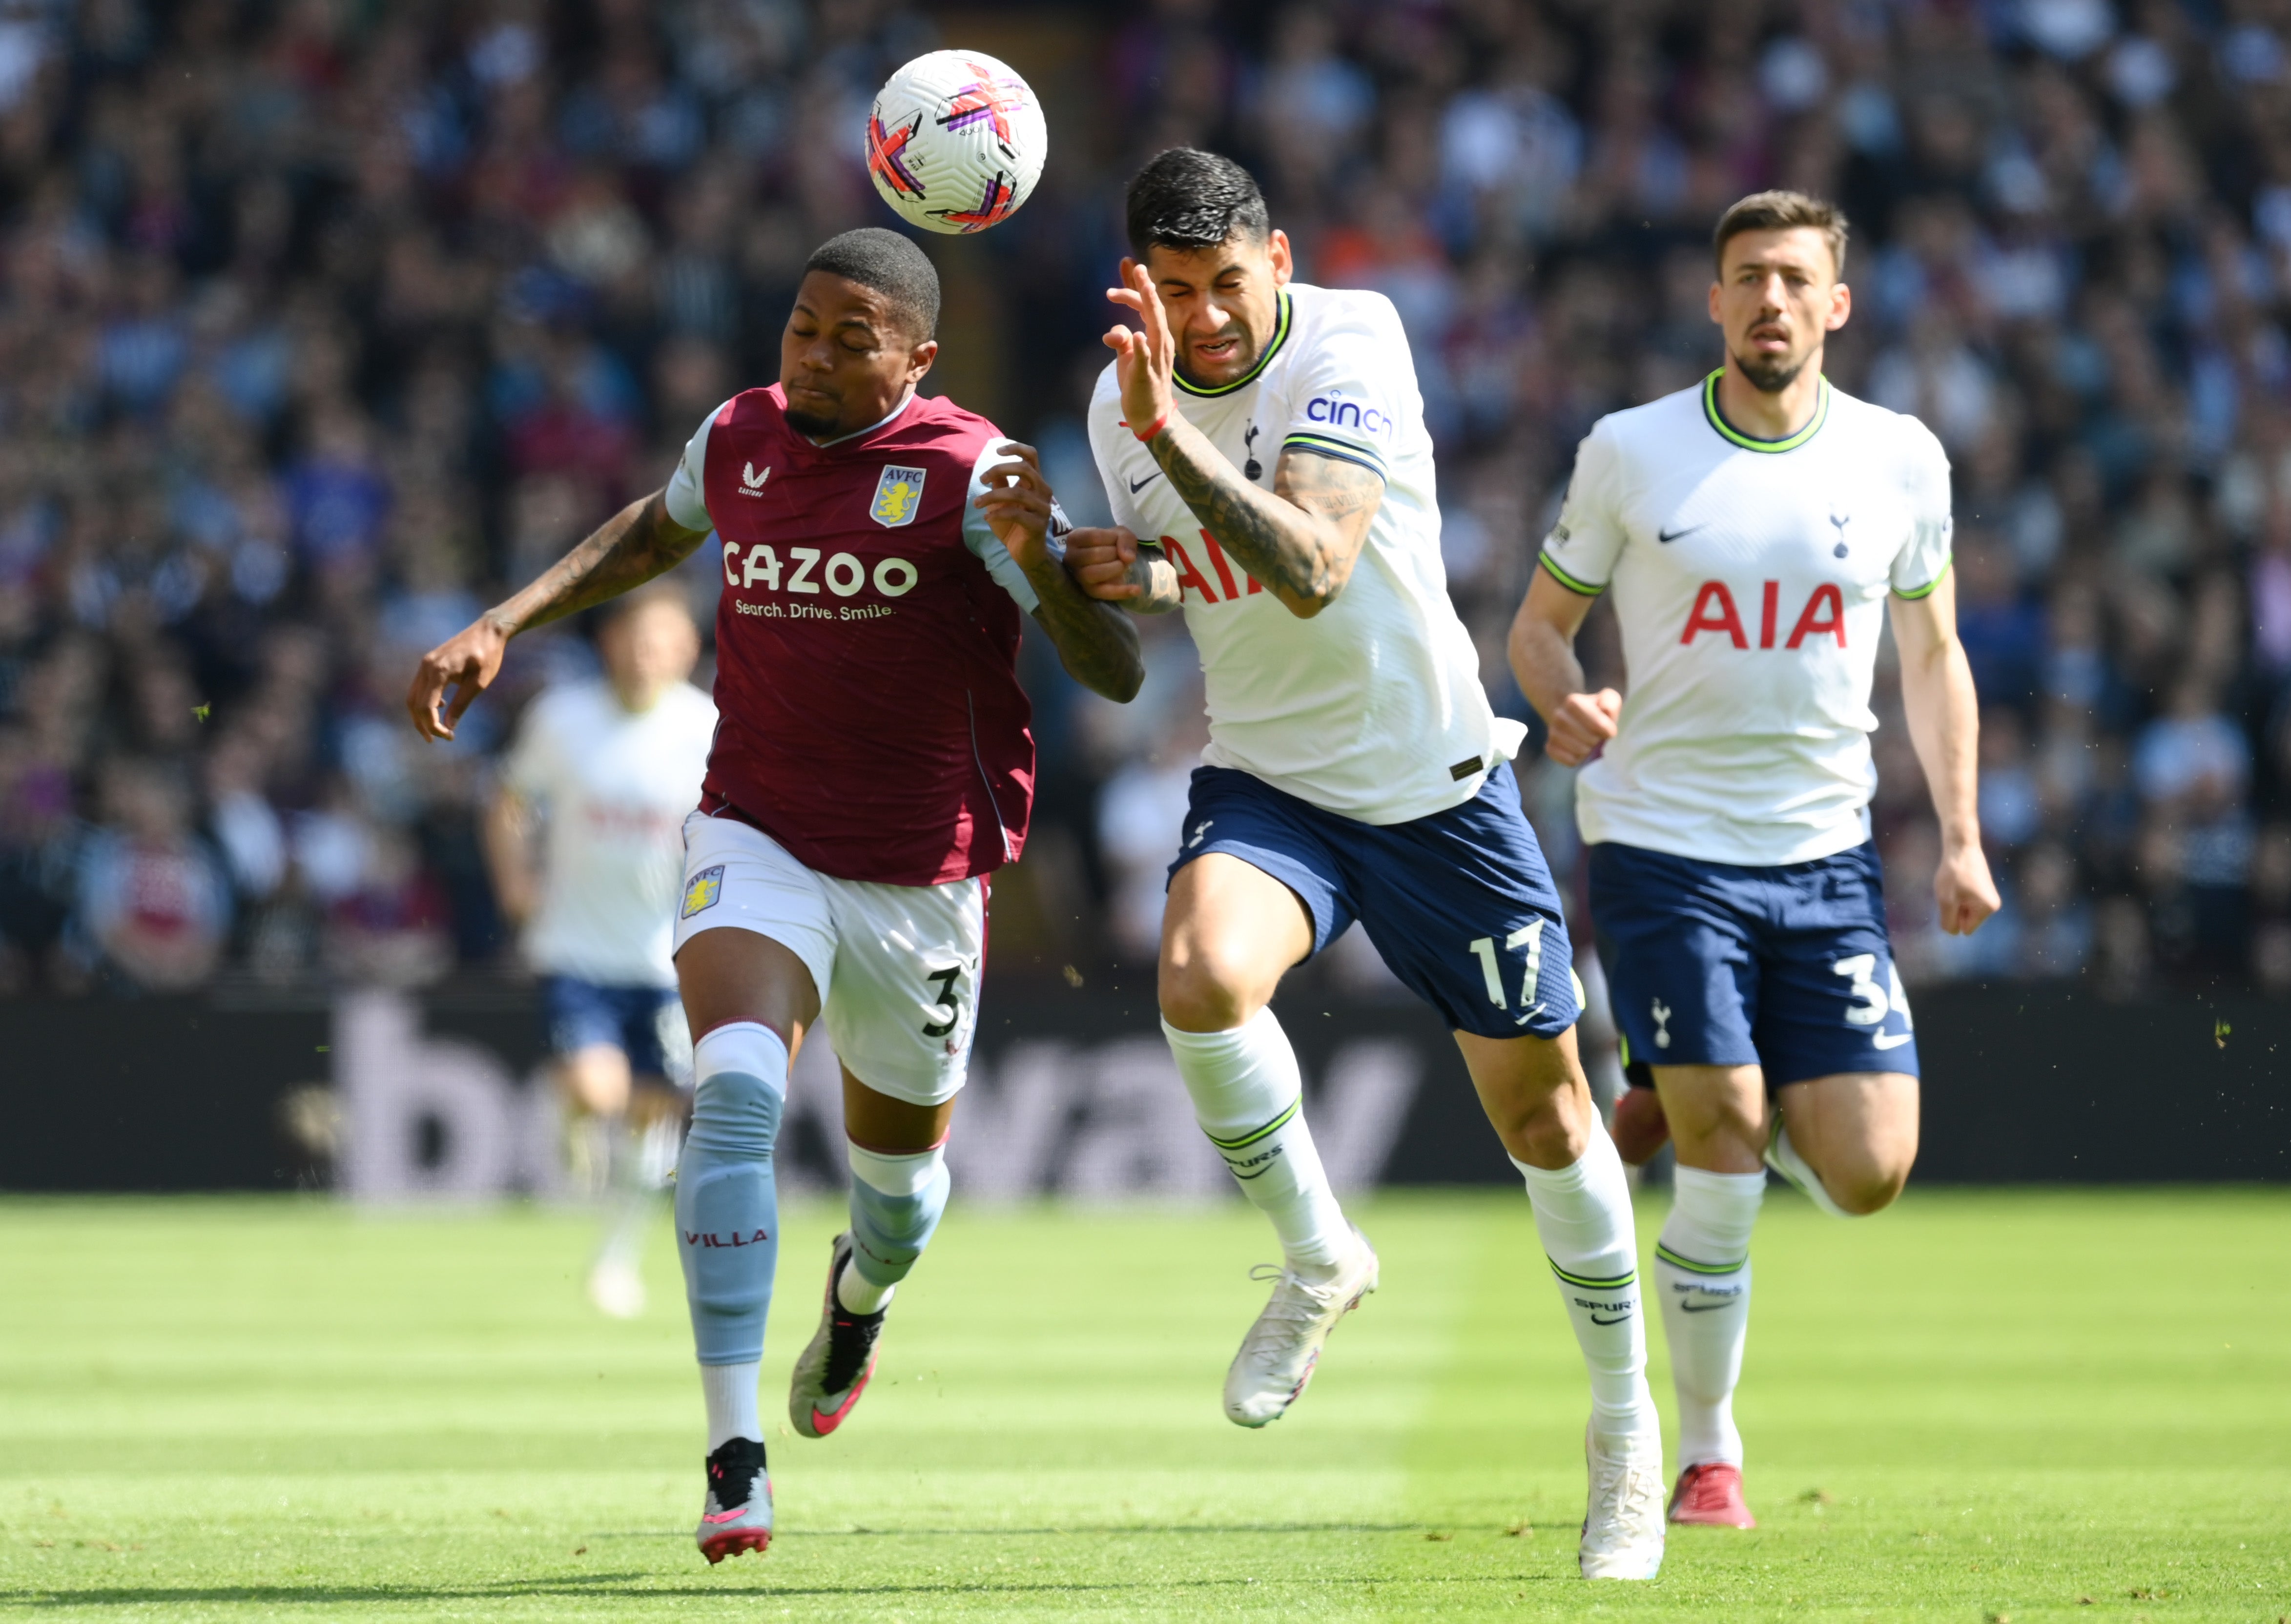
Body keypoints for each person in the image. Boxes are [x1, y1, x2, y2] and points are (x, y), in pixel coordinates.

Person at [408, 228, 1143, 1566]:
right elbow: (653, 530)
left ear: (916, 358)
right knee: (732, 1092)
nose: (807, 354)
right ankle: (731, 1457)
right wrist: (505, 621)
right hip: (757, 838)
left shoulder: (974, 473)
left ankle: (857, 1303)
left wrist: (1041, 567)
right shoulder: (741, 435)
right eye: (800, 326)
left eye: (845, 339)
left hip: (921, 881)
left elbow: (1114, 673)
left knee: (900, 1204)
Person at [1066, 148, 1666, 1582]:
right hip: (1270, 780)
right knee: (1202, 976)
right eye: (1177, 291)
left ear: (1275, 264)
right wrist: (1105, 571)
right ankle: (1320, 1253)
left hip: (1435, 788)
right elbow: (1197, 570)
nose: (1206, 319)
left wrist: (1171, 434)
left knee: (1545, 1122)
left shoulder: (1351, 338)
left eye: (1227, 285)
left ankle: (1624, 1436)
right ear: (1135, 285)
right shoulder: (1118, 401)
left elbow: (1316, 559)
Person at [1508, 190, 1999, 1534]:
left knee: (1865, 1175)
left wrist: (1958, 835)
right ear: (1713, 304)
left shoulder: (1901, 460)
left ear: (1833, 304)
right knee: (1722, 1144)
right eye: (1745, 279)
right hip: (1659, 843)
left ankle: (1690, 1080)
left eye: (1793, 278)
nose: (1768, 300)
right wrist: (1563, 699)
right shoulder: (1629, 452)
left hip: (1823, 854)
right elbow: (1538, 628)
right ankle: (1706, 1454)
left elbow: (1931, 654)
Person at [485, 584, 716, 1319]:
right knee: (597, 1092)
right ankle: (578, 1117)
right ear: (608, 643)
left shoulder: (708, 727)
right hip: (577, 947)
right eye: (633, 638)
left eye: (662, 641)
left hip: (668, 958)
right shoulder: (563, 719)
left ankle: (615, 1260)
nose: (646, 655)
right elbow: (509, 801)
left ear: (687, 648)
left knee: (653, 1123)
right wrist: (516, 879)